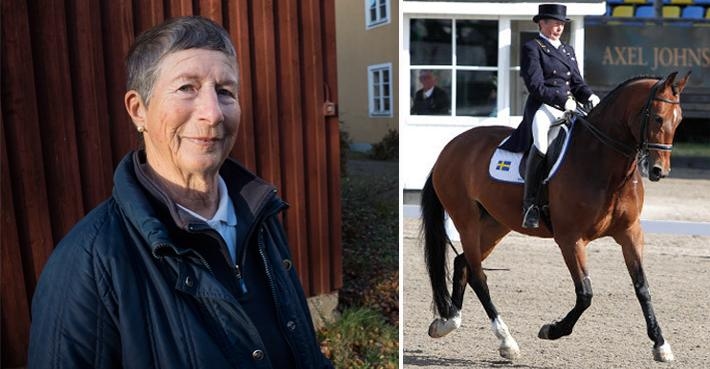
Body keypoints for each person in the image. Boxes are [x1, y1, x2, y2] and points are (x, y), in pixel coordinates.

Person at [27, 16, 333, 369]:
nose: (213, 113)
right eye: (187, 88)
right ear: (138, 109)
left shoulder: (261, 220)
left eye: (225, 91)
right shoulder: (89, 265)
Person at [499, 4, 600, 229]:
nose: (558, 27)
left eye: (561, 24)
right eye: (554, 23)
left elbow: (577, 83)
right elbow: (534, 85)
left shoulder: (567, 50)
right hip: (543, 107)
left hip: (569, 107)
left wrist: (591, 96)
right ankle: (531, 205)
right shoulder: (532, 47)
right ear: (541, 23)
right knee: (542, 145)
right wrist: (562, 99)